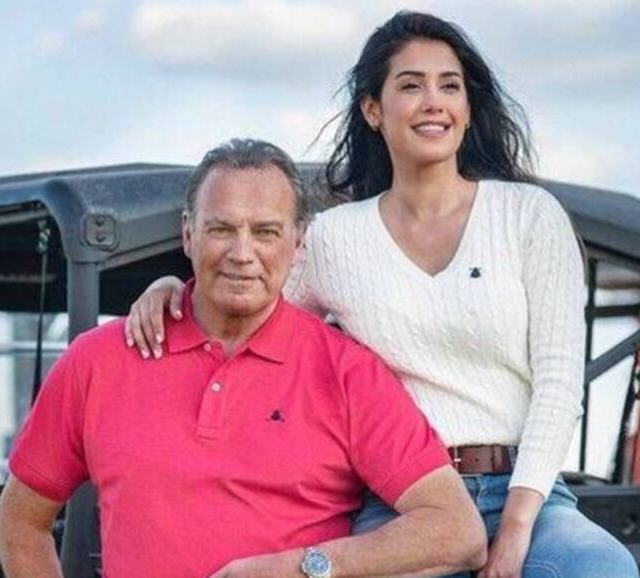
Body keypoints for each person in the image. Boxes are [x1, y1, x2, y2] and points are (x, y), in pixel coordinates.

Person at [124, 12, 639, 578]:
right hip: (402, 500)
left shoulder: (528, 216)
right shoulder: (334, 238)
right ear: (373, 109)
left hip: (528, 494)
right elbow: (252, 312)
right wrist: (173, 289)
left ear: (468, 108)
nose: (433, 102)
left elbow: (560, 383)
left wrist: (514, 534)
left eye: (449, 86)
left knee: (604, 568)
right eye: (411, 85)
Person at [0, 138, 487, 578]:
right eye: (221, 229)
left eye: (266, 232)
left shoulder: (347, 372)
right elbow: (18, 522)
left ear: (297, 242)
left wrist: (304, 568)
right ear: (189, 234)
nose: (242, 253)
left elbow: (456, 530)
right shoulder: (96, 361)